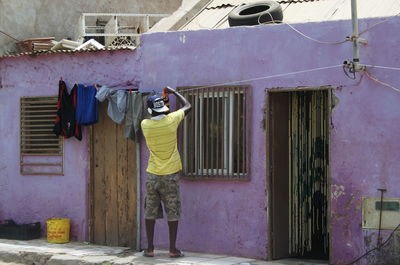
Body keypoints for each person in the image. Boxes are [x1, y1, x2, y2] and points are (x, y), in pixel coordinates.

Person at [140, 86, 191, 258]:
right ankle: (173, 249)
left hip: (152, 174)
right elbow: (188, 106)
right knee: (173, 210)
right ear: (164, 108)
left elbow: (153, 115)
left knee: (150, 210)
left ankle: (149, 248)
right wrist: (173, 92)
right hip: (170, 175)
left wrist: (162, 98)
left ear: (149, 110)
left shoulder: (145, 125)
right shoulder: (171, 120)